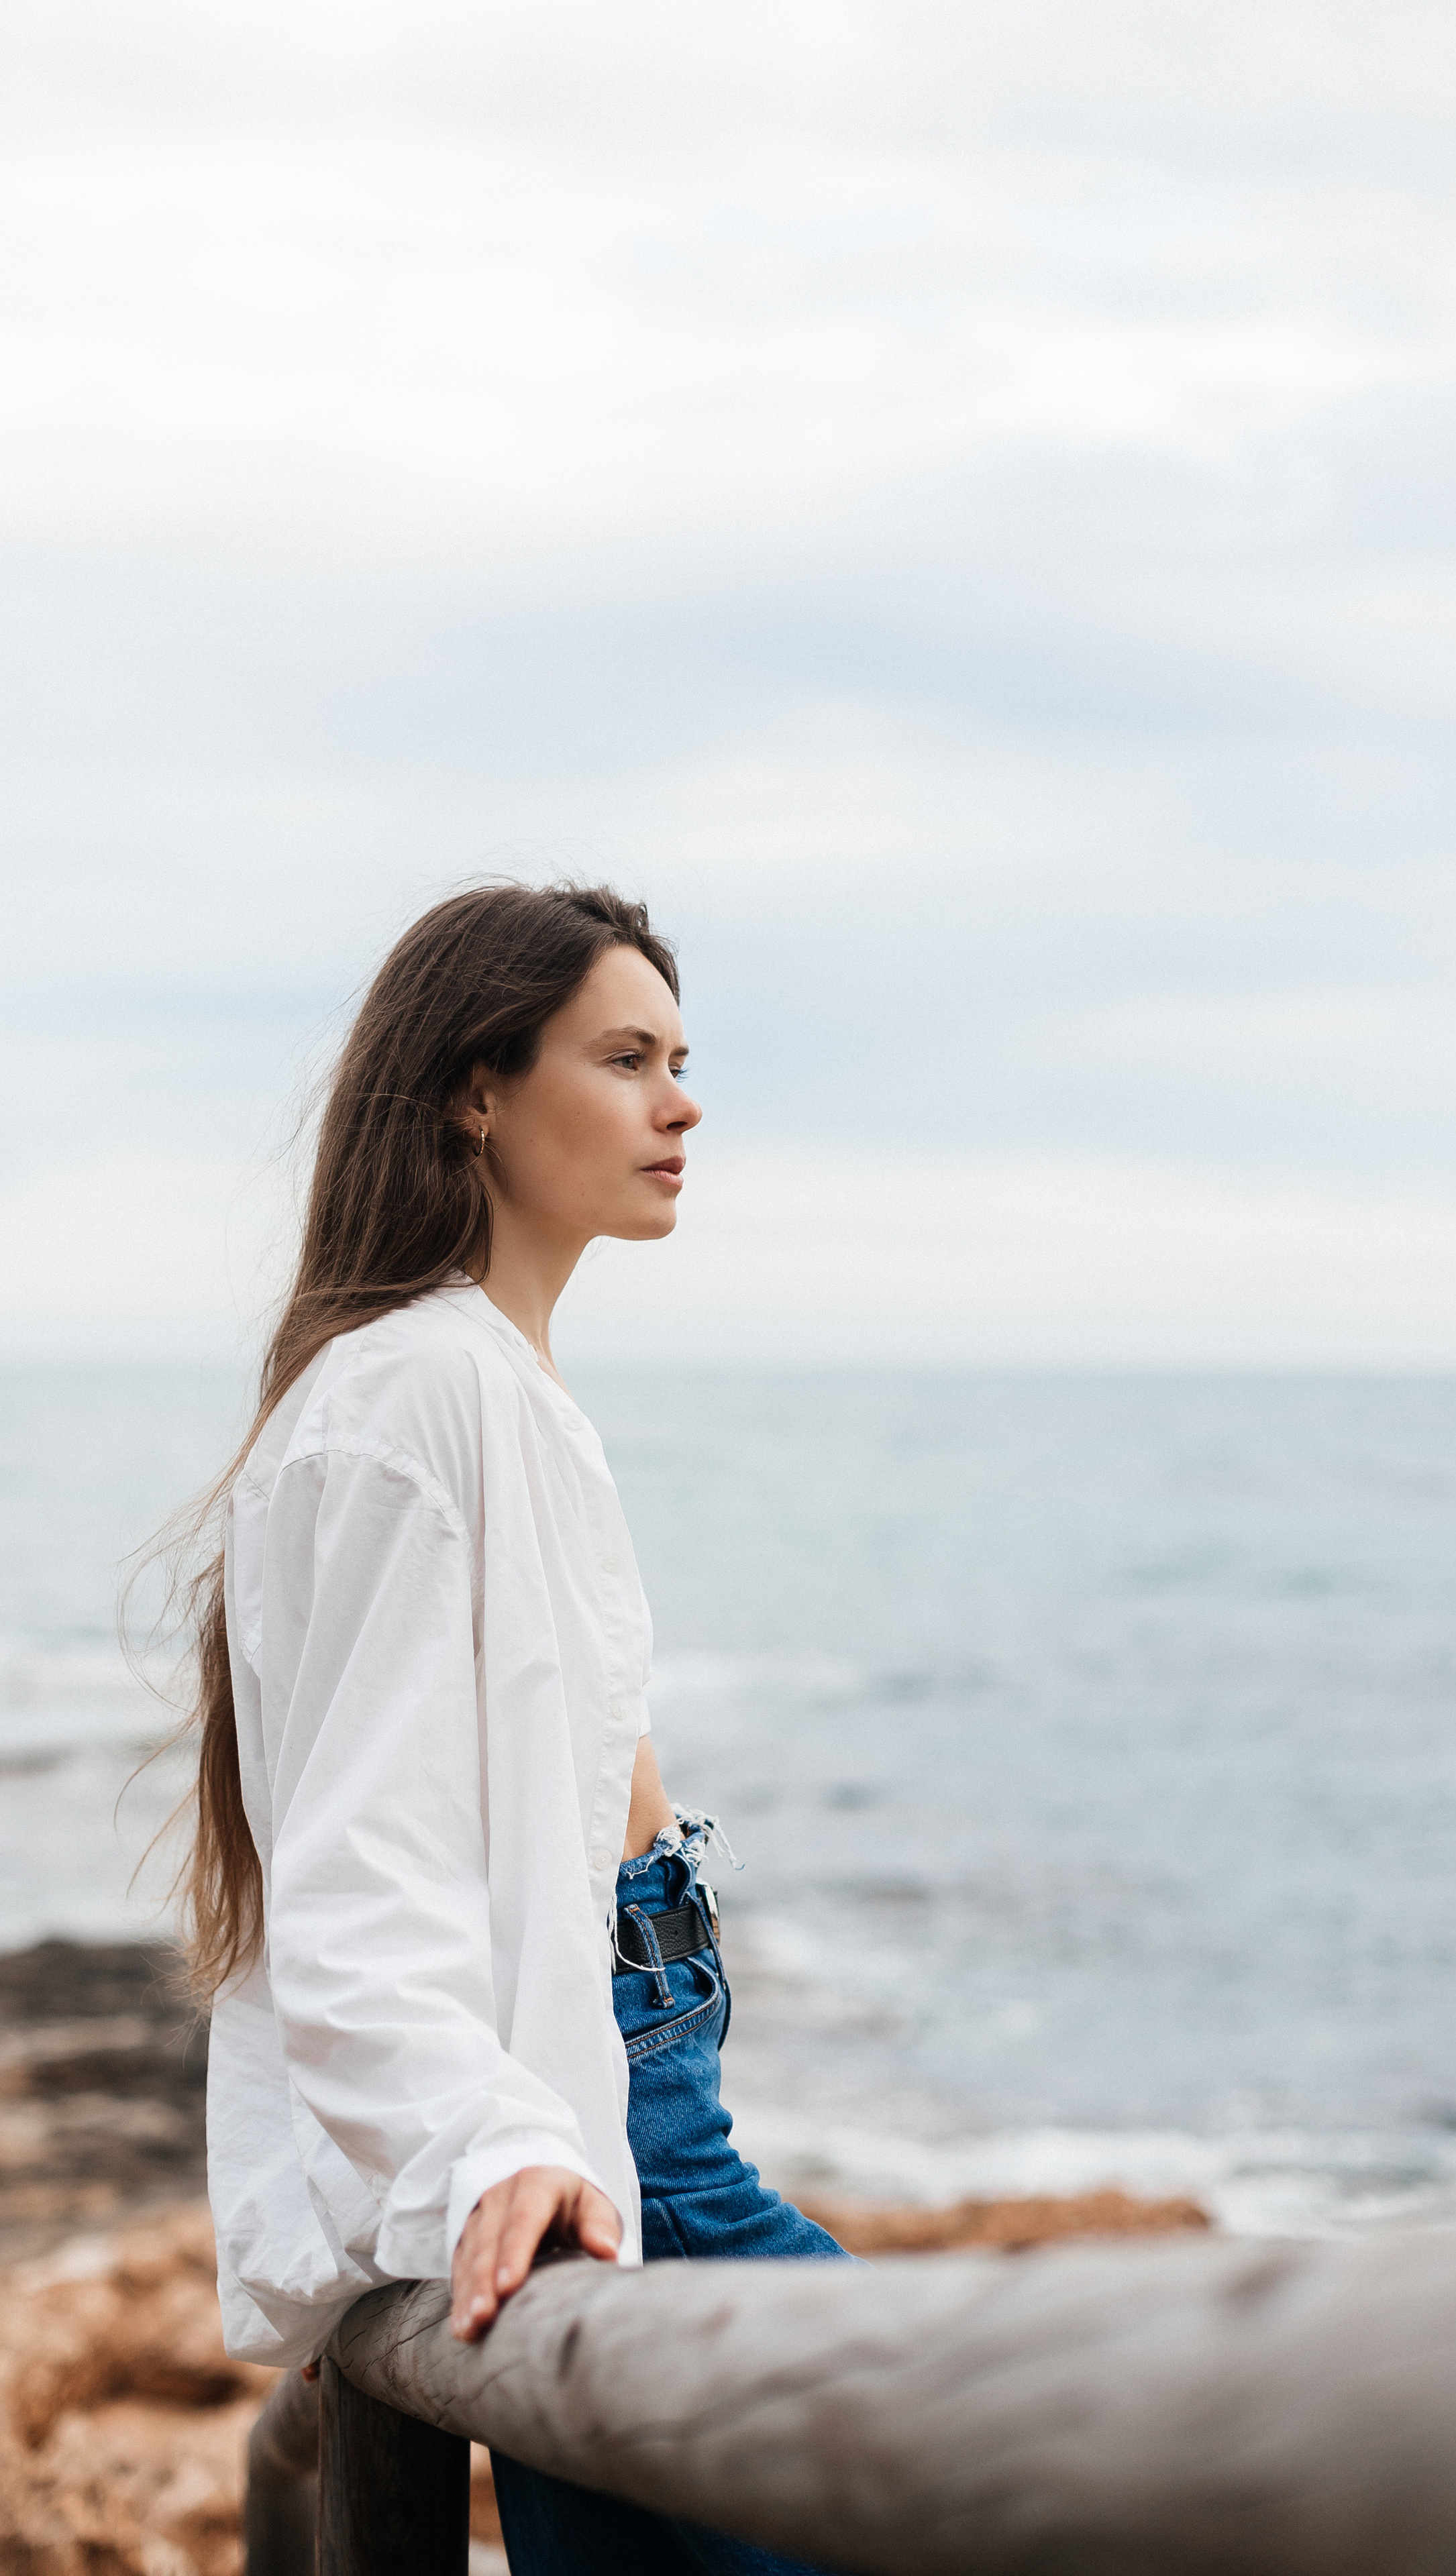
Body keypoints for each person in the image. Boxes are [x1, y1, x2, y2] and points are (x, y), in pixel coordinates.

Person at [182, 882, 846, 2574]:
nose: (680, 1105)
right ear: (476, 1088)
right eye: (624, 1058)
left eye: (680, 1060)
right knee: (1015, 2467)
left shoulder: (476, 1385)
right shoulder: (422, 1397)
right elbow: (363, 1867)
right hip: (603, 2121)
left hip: (629, 2105)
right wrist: (497, 2142)